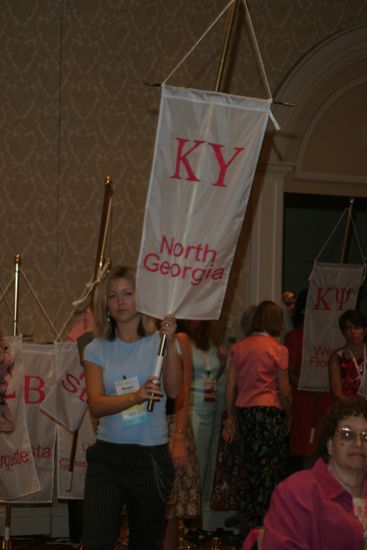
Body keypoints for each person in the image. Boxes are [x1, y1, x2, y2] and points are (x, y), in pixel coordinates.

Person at [82, 265, 182, 550]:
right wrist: (136, 396)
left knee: (146, 543)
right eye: (113, 296)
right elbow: (97, 404)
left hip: (151, 458)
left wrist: (171, 341)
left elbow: (175, 390)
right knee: (97, 542)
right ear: (106, 304)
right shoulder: (96, 348)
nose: (121, 301)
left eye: (128, 293)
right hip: (107, 459)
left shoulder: (160, 342)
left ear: (142, 298)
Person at [261, 396, 367, 549]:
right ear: (330, 444)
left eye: (366, 437)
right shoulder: (298, 492)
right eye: (347, 435)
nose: (358, 444)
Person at [223, 301, 292, 526]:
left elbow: (230, 385)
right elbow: (285, 391)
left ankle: (252, 520)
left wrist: (231, 417)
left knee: (251, 467)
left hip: (245, 413)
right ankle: (266, 523)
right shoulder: (278, 349)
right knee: (270, 471)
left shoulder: (239, 347)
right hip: (269, 413)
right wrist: (290, 415)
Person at [285, 290, 332, 472]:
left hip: (326, 404)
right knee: (305, 456)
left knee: (327, 454)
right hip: (303, 404)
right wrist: (309, 385)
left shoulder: (332, 338)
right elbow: (288, 372)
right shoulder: (294, 337)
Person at [163, 325, 200, 550]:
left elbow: (183, 391)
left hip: (172, 423)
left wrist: (178, 436)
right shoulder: (138, 335)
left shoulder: (180, 339)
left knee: (171, 508)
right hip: (143, 426)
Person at [328, 309, 367, 400]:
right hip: (349, 409)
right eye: (348, 328)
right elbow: (337, 394)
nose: (353, 332)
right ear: (343, 332)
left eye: (357, 327)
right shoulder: (337, 358)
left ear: (365, 331)